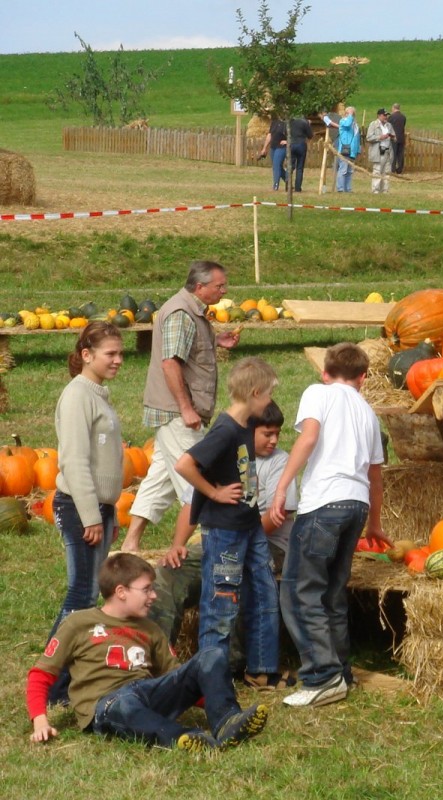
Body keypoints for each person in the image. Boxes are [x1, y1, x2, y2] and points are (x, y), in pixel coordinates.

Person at [27, 552, 269, 752]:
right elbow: (41, 674)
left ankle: (227, 722)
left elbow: (182, 678)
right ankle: (183, 738)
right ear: (121, 592)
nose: (154, 596)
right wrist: (40, 721)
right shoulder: (79, 623)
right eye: (146, 589)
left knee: (212, 654)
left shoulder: (151, 629)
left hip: (147, 694)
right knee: (124, 704)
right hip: (107, 705)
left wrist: (215, 697)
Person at [269, 343, 391, 708]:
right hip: (356, 505)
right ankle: (341, 670)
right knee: (332, 592)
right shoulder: (369, 412)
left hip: (324, 503)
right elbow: (375, 475)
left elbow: (308, 438)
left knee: (298, 591)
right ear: (364, 378)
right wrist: (375, 522)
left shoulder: (317, 393)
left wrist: (281, 487)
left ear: (324, 372)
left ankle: (322, 676)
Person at [151, 400, 298, 657]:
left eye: (277, 433)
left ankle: (230, 662)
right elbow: (191, 504)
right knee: (169, 571)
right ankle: (159, 654)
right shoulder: (225, 453)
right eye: (267, 434)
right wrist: (178, 545)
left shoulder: (280, 462)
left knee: (231, 575)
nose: (274, 440)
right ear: (247, 432)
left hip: (267, 544)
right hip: (222, 539)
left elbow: (276, 518)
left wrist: (239, 539)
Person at [172, 357, 281, 688]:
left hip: (248, 525)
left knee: (264, 591)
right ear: (255, 392)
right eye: (269, 395)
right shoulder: (225, 430)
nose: (270, 401)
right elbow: (184, 464)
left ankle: (261, 670)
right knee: (222, 601)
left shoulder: (245, 425)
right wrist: (214, 493)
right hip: (225, 532)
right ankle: (211, 678)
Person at [118, 261, 239, 553]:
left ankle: (130, 544)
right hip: (177, 414)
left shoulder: (192, 311)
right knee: (198, 478)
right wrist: (186, 408)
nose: (224, 290)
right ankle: (198, 544)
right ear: (200, 287)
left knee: (160, 480)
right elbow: (170, 363)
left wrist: (215, 340)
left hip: (177, 413)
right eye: (219, 286)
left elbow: (188, 346)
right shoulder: (181, 313)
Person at [44, 321, 126, 703]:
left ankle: (69, 682)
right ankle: (50, 685)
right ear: (87, 355)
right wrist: (91, 515)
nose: (118, 360)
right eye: (111, 354)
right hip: (80, 509)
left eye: (120, 353)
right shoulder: (77, 396)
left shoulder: (98, 394)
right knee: (81, 593)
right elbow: (74, 461)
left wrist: (107, 513)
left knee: (90, 594)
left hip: (99, 509)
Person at [323, 106, 360, 193]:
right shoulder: (343, 122)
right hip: (345, 148)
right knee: (343, 169)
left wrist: (358, 149)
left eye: (352, 114)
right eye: (349, 113)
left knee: (349, 171)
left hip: (352, 150)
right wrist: (350, 115)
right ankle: (340, 188)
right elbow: (347, 125)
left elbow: (357, 138)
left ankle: (348, 188)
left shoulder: (355, 125)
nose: (351, 115)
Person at [366, 108, 396, 194]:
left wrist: (393, 137)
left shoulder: (389, 125)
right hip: (378, 151)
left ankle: (385, 190)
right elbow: (369, 137)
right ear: (379, 116)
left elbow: (394, 136)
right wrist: (380, 137)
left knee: (386, 171)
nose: (386, 117)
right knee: (377, 171)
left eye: (386, 115)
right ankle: (375, 190)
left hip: (388, 151)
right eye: (384, 115)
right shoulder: (373, 124)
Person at [258, 117, 288, 191]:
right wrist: (265, 148)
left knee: (276, 165)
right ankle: (288, 182)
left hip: (281, 147)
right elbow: (269, 135)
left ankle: (275, 185)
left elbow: (294, 135)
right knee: (278, 166)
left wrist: (287, 142)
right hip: (273, 147)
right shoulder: (274, 122)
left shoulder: (287, 123)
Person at [289, 116, 314, 192]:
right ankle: (297, 188)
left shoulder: (290, 121)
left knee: (290, 166)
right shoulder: (304, 122)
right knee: (299, 168)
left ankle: (288, 186)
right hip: (301, 144)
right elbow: (310, 135)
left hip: (292, 144)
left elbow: (285, 132)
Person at [387, 103, 407, 175]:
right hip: (401, 137)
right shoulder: (403, 117)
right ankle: (400, 169)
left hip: (394, 137)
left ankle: (393, 169)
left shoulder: (391, 117)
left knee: (393, 153)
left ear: (393, 108)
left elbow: (388, 126)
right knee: (400, 154)